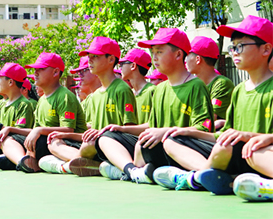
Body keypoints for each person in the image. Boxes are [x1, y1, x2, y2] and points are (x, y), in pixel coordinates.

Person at [154, 16, 273, 195]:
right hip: (238, 152)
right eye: (232, 47)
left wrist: (254, 136)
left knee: (241, 149)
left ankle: (196, 179)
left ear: (266, 49)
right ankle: (227, 180)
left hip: (260, 152)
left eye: (240, 46)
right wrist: (191, 132)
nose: (234, 52)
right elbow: (223, 134)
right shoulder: (239, 90)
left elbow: (239, 138)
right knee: (172, 141)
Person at [96, 28, 214, 184]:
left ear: (178, 55)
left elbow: (204, 128)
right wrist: (123, 129)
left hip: (182, 147)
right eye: (153, 53)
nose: (154, 58)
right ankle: (132, 170)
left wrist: (165, 132)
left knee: (157, 144)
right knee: (106, 138)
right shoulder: (160, 89)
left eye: (159, 52)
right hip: (159, 146)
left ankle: (197, 175)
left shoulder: (196, 85)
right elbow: (151, 126)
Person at [48, 37, 137, 176]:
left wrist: (101, 135)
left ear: (111, 60)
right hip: (96, 145)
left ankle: (79, 163)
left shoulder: (121, 89)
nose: (90, 60)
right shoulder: (95, 95)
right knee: (54, 142)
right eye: (89, 57)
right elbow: (92, 132)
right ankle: (94, 165)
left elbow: (129, 130)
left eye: (95, 57)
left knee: (88, 145)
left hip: (115, 145)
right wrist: (67, 135)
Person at [1, 53, 86, 173]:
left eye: (40, 69)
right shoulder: (41, 100)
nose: (35, 73)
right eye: (35, 70)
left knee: (50, 141)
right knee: (8, 139)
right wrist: (10, 129)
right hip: (44, 141)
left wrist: (39, 130)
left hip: (68, 143)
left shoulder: (65, 96)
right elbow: (34, 131)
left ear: (55, 72)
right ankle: (24, 162)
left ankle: (81, 159)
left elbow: (68, 130)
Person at [184, 36, 235, 129]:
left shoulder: (222, 84)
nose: (185, 60)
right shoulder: (192, 84)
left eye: (187, 55)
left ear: (198, 59)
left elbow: (209, 120)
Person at [119, 49, 155, 125]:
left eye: (122, 64)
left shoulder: (153, 91)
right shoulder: (129, 93)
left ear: (133, 66)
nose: (120, 68)